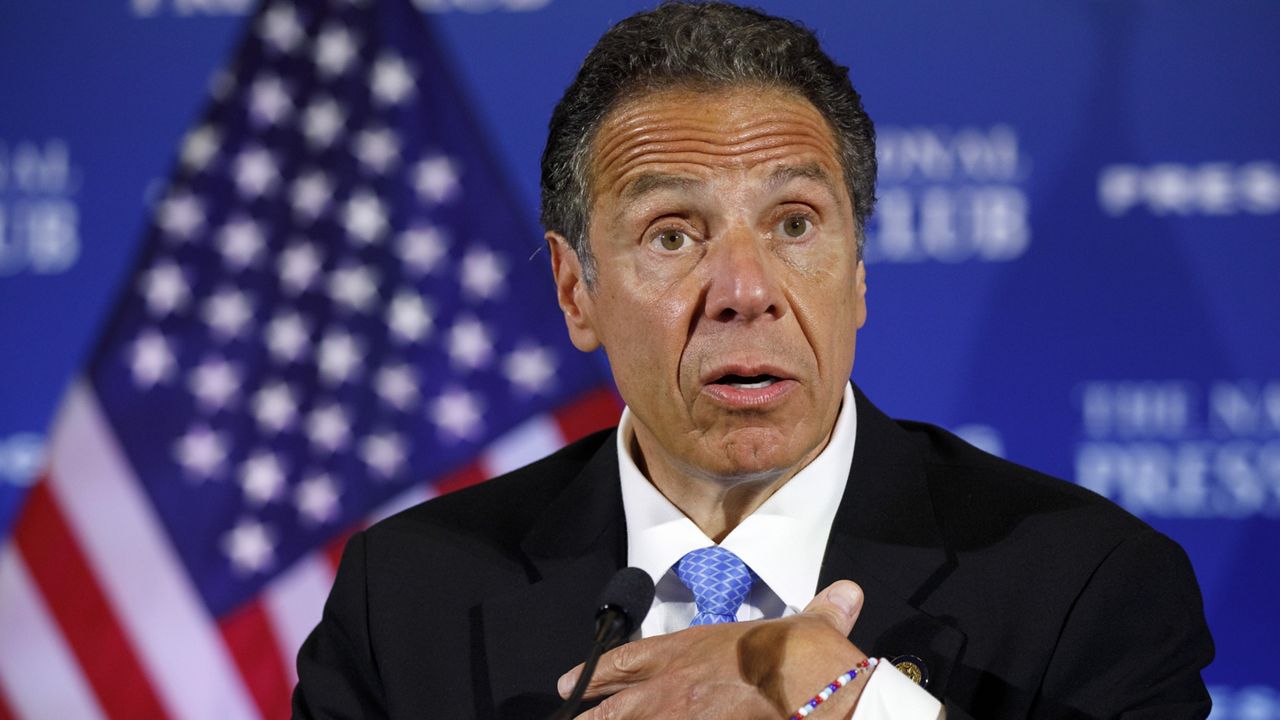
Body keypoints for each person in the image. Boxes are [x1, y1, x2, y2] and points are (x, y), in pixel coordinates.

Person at [293, 3, 1214, 718]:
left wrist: (855, 701)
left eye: (795, 224)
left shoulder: (1088, 584)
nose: (745, 288)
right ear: (577, 291)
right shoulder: (406, 599)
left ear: (856, 273)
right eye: (672, 234)